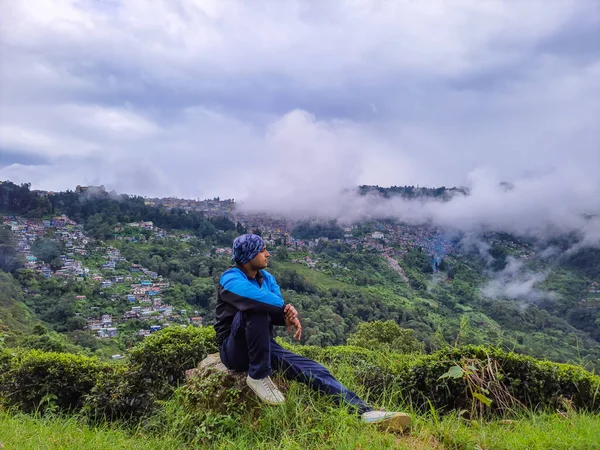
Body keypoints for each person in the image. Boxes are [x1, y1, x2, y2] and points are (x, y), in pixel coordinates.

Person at [214, 234, 410, 431]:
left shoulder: (267, 278)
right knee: (253, 307)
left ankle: (364, 412)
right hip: (234, 350)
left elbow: (273, 312)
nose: (268, 253)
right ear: (248, 254)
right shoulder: (230, 278)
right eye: (262, 250)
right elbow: (260, 301)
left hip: (263, 346)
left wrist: (285, 316)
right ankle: (258, 375)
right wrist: (285, 308)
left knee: (314, 369)